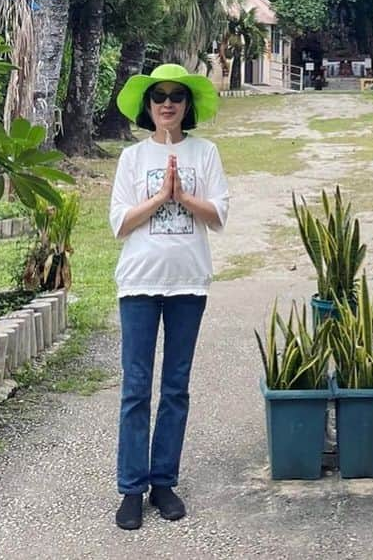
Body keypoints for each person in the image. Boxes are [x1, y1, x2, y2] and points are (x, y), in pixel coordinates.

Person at [110, 62, 229, 531]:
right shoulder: (132, 159)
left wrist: (182, 195)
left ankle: (163, 480)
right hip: (139, 283)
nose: (166, 103)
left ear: (187, 106)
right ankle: (130, 487)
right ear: (147, 106)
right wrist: (160, 198)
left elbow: (218, 215)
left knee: (175, 387)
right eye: (158, 96)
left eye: (176, 96)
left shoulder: (206, 153)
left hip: (188, 283)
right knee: (135, 388)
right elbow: (119, 222)